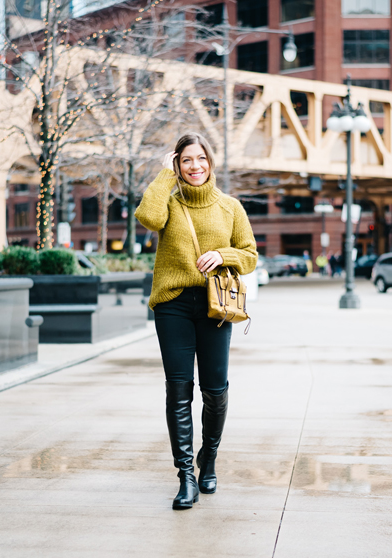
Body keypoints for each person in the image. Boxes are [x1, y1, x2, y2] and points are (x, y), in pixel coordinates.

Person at [135, 133, 257, 510]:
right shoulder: (168, 202)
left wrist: (222, 255)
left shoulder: (229, 207)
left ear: (211, 162)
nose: (195, 167)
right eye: (186, 160)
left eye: (200, 159)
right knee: (178, 390)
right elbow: (147, 217)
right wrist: (162, 175)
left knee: (215, 390)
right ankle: (185, 474)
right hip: (172, 304)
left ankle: (210, 459)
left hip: (214, 308)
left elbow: (250, 255)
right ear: (178, 164)